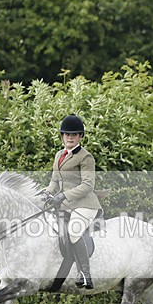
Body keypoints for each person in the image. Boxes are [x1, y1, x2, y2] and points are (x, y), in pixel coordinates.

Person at [43, 114, 102, 289]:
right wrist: (47, 193)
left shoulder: (85, 157)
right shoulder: (59, 155)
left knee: (74, 231)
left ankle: (85, 274)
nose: (70, 137)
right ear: (62, 135)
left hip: (85, 204)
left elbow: (87, 185)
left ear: (80, 137)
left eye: (74, 134)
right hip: (66, 205)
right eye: (67, 134)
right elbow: (54, 181)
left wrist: (64, 195)